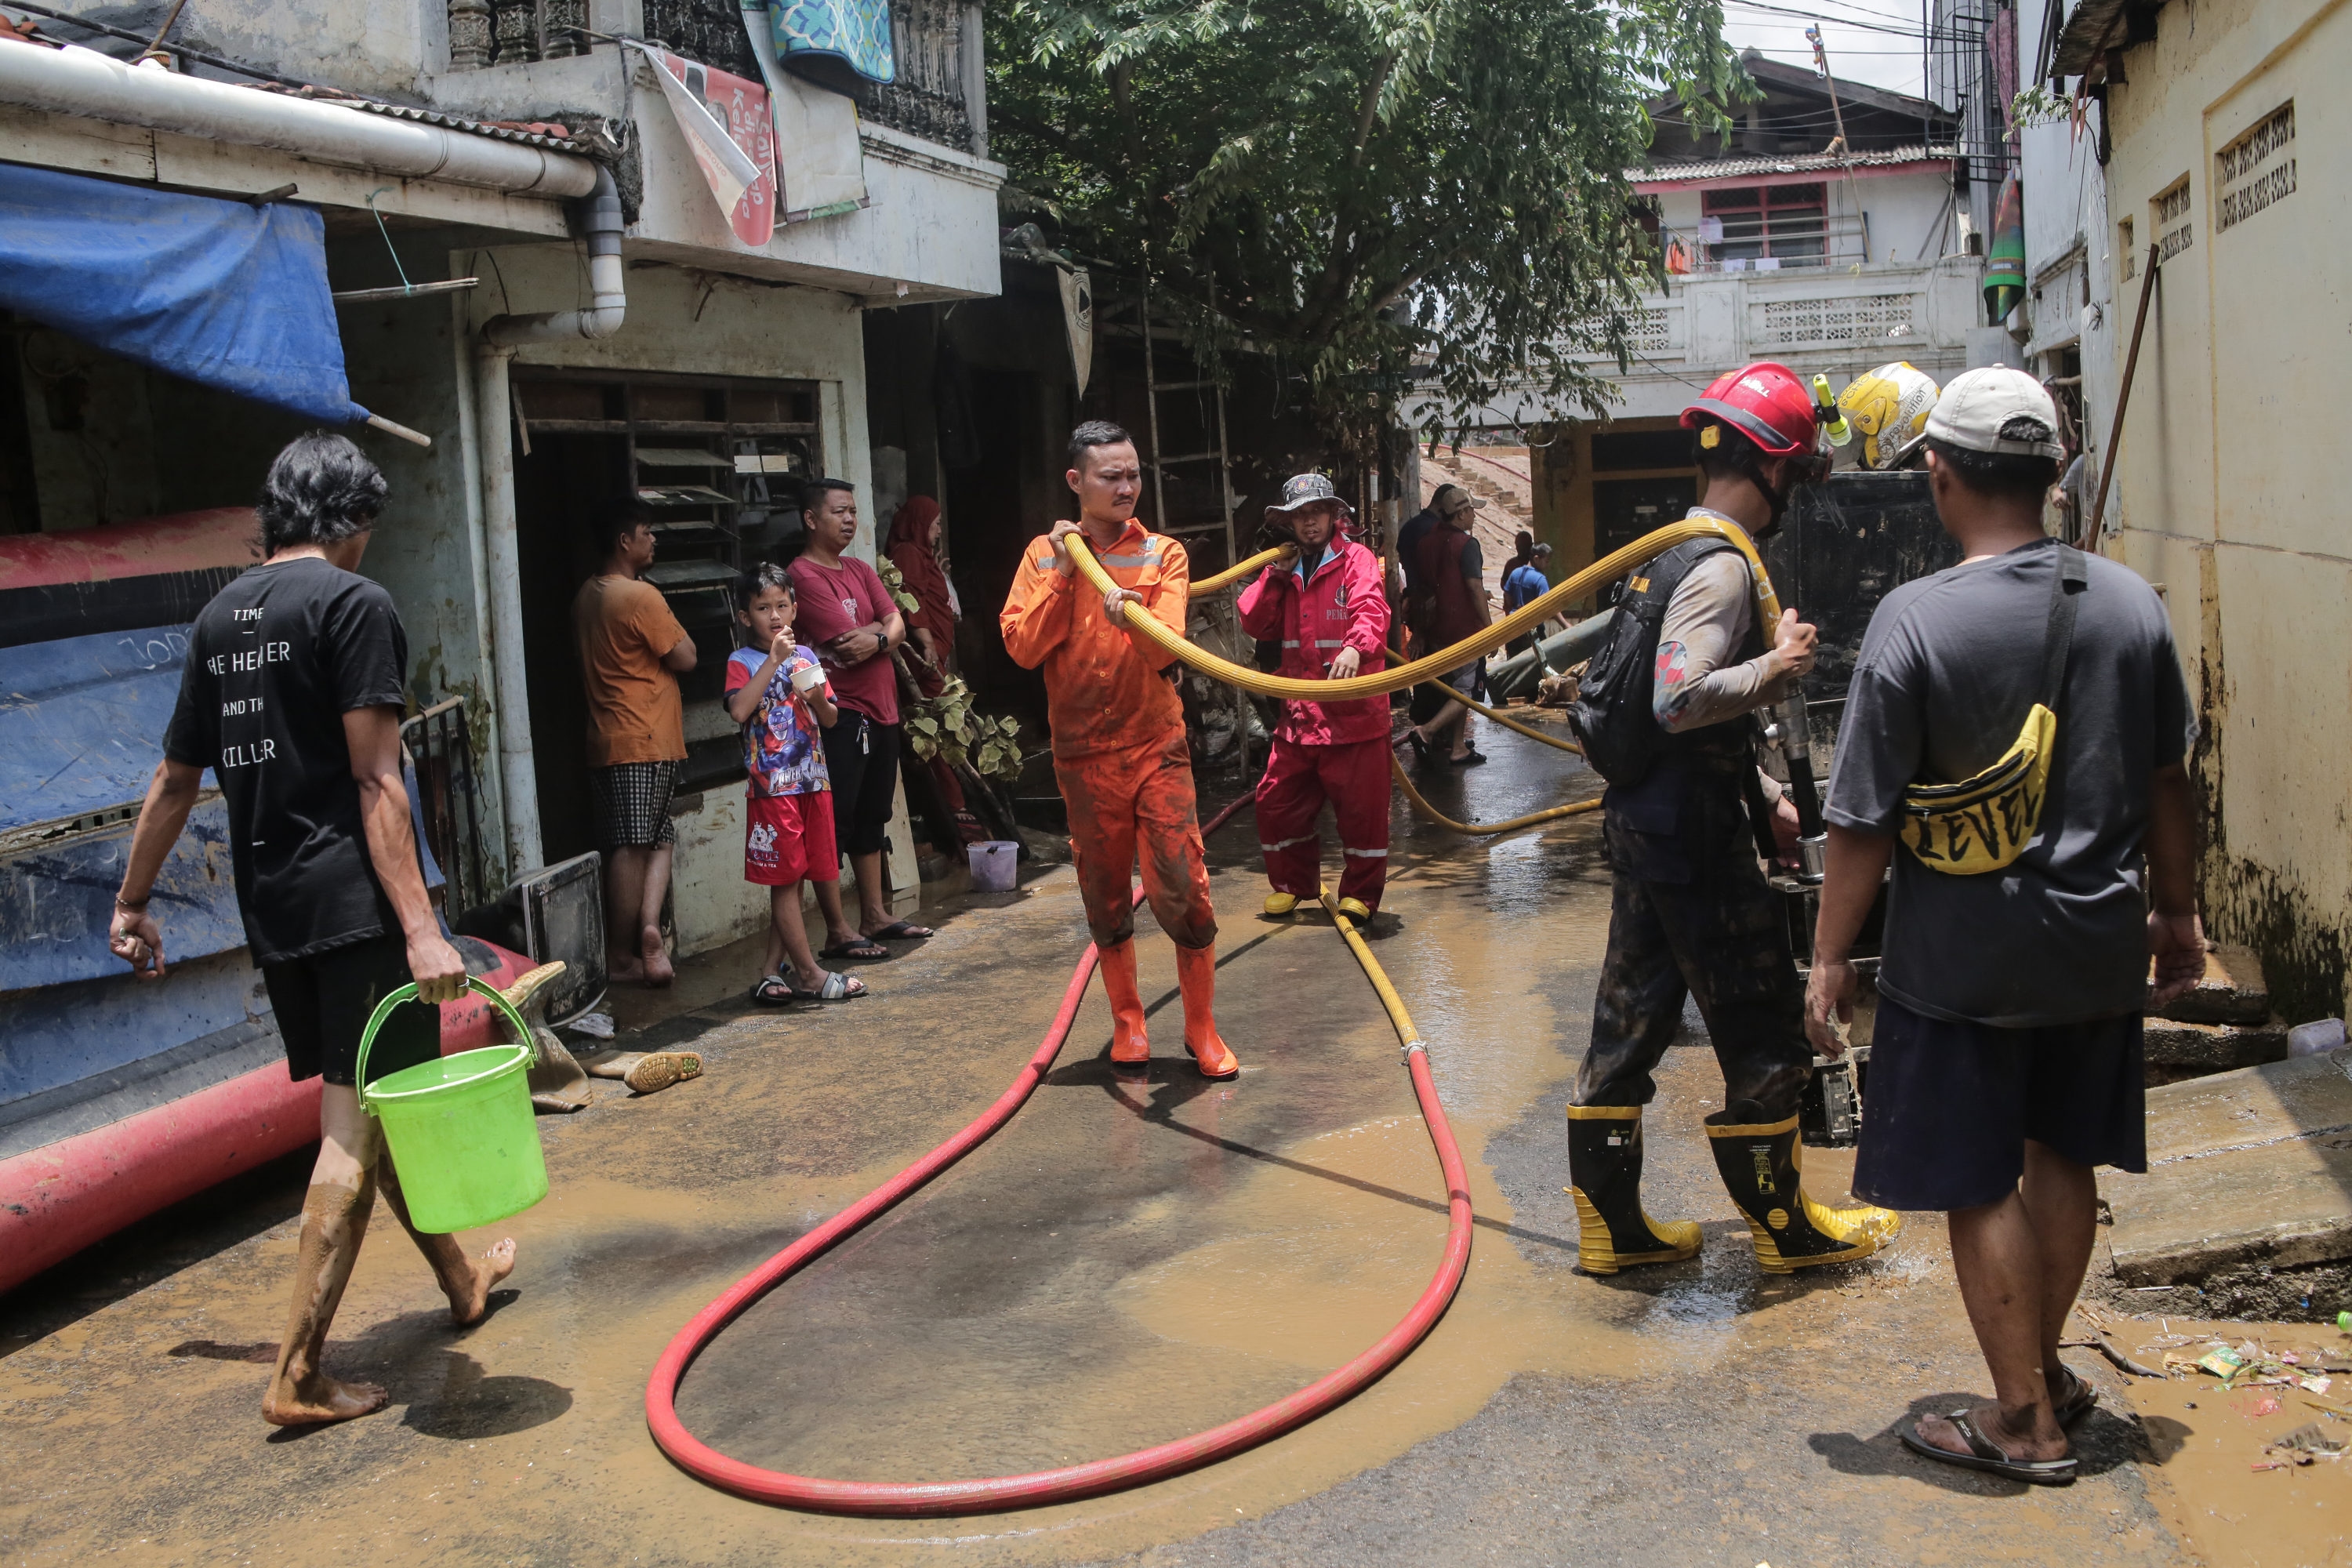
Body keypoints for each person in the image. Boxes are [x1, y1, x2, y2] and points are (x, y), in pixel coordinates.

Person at [1805, 368, 2202, 1485]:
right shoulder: (2132, 605)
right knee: (2063, 1152)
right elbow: (2169, 780)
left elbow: (1862, 821)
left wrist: (1829, 959)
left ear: (1939, 475)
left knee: (1982, 1180)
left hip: (1962, 963)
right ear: (2053, 473)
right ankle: (2045, 1371)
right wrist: (2175, 912)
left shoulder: (1915, 621)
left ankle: (2023, 1418)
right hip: (2096, 943)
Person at [107, 433, 514, 1426]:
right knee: (352, 1127)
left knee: (386, 1102)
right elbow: (379, 778)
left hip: (279, 910)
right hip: (359, 910)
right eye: (368, 525)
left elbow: (173, 780)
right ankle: (297, 1374)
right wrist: (422, 928)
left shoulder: (218, 618)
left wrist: (130, 900)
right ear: (349, 523)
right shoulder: (352, 604)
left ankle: (460, 1276)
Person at [1561, 361, 1897, 1276]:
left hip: (1650, 825)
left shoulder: (1670, 553)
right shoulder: (1716, 566)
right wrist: (1779, 663)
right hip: (1694, 842)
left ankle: (1616, 1231)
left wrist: (1769, 796)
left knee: (1628, 1020)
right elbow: (1679, 699)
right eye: (1802, 467)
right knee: (1758, 1022)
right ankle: (1787, 1229)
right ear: (1775, 466)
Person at [1000, 421, 1238, 1079]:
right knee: (1103, 891)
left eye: (1134, 474)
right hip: (1081, 753)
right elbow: (1021, 647)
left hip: (1154, 743)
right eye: (1112, 476)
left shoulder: (1165, 553)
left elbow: (1168, 650)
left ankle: (1201, 1028)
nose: (1128, 486)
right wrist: (1071, 576)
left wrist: (1130, 620)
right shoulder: (1042, 558)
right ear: (1077, 483)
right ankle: (1128, 1024)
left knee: (1181, 884)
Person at [787, 477, 935, 962]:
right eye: (838, 512)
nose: (849, 520)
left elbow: (895, 622)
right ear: (811, 519)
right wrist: (882, 634)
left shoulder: (858, 567)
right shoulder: (804, 576)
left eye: (853, 511)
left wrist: (878, 634)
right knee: (838, 820)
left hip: (883, 710)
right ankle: (837, 929)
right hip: (841, 713)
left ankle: (874, 914)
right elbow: (848, 644)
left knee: (874, 814)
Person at [1236, 474, 1393, 920]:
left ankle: (1360, 895)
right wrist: (1273, 579)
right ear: (1289, 522)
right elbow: (1253, 622)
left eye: (1316, 513)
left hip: (1354, 717)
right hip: (1300, 717)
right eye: (1300, 516)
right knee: (1276, 802)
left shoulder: (1356, 559)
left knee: (1362, 814)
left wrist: (1354, 646)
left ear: (1332, 516)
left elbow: (1371, 609)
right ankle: (1294, 884)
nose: (1309, 524)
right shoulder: (1286, 569)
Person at [724, 564, 867, 1004]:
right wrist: (772, 662)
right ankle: (808, 973)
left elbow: (830, 718)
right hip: (773, 788)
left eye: (782, 606)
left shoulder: (807, 657)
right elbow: (738, 711)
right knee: (785, 881)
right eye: (763, 608)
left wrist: (817, 697)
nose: (774, 616)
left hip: (813, 781)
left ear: (795, 608)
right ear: (746, 617)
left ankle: (771, 972)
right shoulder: (742, 661)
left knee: (799, 875)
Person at [573, 504, 696, 987]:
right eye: (647, 533)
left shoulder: (588, 594)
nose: (653, 541)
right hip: (642, 734)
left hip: (611, 733)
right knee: (632, 844)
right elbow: (686, 656)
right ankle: (624, 952)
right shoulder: (639, 597)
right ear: (624, 542)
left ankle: (649, 926)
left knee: (656, 836)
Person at [885, 495, 982, 852]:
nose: (939, 529)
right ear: (919, 524)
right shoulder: (908, 553)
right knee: (941, 728)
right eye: (935, 523)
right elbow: (911, 602)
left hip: (934, 657)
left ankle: (957, 804)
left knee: (946, 727)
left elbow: (928, 593)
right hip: (925, 660)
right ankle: (955, 808)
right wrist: (926, 641)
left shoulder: (920, 556)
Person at [1401, 485, 1493, 765]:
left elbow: (1419, 586)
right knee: (1467, 692)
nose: (1474, 518)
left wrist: (1420, 631)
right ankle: (1426, 732)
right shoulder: (1467, 544)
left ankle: (1458, 747)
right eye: (1472, 512)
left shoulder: (1426, 541)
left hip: (1434, 629)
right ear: (1462, 513)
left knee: (1454, 689)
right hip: (1463, 631)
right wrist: (1491, 631)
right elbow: (1475, 588)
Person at [1502, 540, 1555, 660]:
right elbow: (1549, 605)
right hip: (1533, 633)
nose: (1547, 565)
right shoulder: (1540, 579)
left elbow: (1507, 598)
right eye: (1546, 561)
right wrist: (1566, 625)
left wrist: (1511, 614)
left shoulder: (1515, 573)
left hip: (1513, 630)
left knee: (1514, 668)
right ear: (1536, 559)